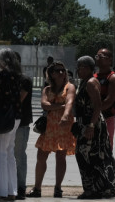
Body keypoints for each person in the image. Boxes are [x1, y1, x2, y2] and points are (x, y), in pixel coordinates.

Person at [0, 49, 28, 202]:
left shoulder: (2, 74)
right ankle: (11, 191)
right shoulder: (18, 75)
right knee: (9, 154)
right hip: (15, 116)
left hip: (2, 116)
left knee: (0, 154)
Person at [70, 55, 115, 200]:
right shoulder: (86, 82)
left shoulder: (91, 82)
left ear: (87, 68)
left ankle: (95, 190)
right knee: (87, 156)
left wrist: (91, 125)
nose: (77, 70)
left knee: (91, 156)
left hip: (92, 124)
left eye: (80, 67)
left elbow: (98, 105)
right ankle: (95, 189)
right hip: (86, 123)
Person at [29, 60, 75, 198]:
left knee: (61, 157)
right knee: (41, 156)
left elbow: (70, 102)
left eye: (63, 70)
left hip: (63, 125)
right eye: (57, 70)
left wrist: (65, 114)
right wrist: (61, 107)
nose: (61, 72)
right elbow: (44, 105)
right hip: (49, 127)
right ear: (51, 74)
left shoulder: (69, 87)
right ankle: (37, 188)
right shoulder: (47, 89)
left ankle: (58, 188)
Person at [14, 58, 35, 200]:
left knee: (19, 155)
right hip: (7, 122)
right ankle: (12, 185)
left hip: (21, 122)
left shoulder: (25, 80)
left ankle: (21, 187)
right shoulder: (6, 79)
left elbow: (18, 99)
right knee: (8, 155)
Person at [94, 50, 115, 150]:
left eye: (102, 56)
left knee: (105, 149)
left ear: (110, 60)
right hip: (94, 119)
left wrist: (95, 112)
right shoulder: (94, 77)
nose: (99, 58)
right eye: (97, 56)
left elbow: (110, 100)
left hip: (106, 118)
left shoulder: (112, 78)